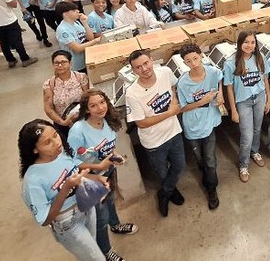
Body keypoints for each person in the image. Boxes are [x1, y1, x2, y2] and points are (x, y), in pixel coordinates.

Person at [18, 119, 114, 261]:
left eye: (55, 135)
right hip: (67, 223)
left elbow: (74, 173)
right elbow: (45, 219)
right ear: (34, 149)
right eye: (47, 142)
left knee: (89, 253)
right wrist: (65, 188)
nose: (57, 143)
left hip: (86, 206)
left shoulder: (61, 153)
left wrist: (97, 179)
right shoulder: (33, 180)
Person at [69, 90, 138, 259]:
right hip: (91, 180)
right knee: (101, 218)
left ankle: (115, 225)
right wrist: (97, 165)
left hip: (108, 172)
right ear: (86, 109)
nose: (100, 108)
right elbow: (71, 163)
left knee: (111, 200)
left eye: (102, 102)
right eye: (93, 105)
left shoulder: (105, 121)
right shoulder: (78, 131)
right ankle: (106, 251)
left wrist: (116, 156)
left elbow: (108, 145)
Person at [125, 50, 185, 217]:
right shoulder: (132, 94)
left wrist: (173, 100)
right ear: (133, 71)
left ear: (152, 61)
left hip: (174, 132)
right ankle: (170, 192)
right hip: (154, 142)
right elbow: (141, 123)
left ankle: (164, 192)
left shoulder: (165, 72)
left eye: (146, 63)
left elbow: (173, 87)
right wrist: (170, 113)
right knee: (162, 172)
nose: (144, 69)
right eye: (138, 67)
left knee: (179, 165)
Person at [176, 44, 223, 209]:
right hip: (193, 126)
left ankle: (212, 188)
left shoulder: (212, 72)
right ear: (184, 63)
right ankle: (206, 174)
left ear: (201, 56)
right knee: (200, 159)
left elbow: (220, 77)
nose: (193, 63)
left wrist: (221, 93)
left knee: (210, 160)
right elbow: (182, 108)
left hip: (208, 123)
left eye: (195, 58)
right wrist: (202, 101)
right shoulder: (183, 83)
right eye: (188, 61)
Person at [223, 31, 270, 183]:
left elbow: (265, 79)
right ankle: (244, 164)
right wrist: (233, 110)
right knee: (247, 135)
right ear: (239, 44)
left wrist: (268, 99)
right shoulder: (230, 63)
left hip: (259, 97)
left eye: (252, 42)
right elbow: (229, 88)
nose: (249, 45)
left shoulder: (260, 57)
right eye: (246, 42)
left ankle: (255, 151)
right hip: (243, 102)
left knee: (257, 129)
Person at [43, 50, 89, 138]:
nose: (60, 65)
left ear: (70, 63)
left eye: (63, 62)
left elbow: (88, 97)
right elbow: (48, 108)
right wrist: (63, 122)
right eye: (56, 63)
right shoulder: (49, 84)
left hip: (84, 120)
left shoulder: (81, 77)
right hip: (64, 125)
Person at [55, 2, 100, 73]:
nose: (78, 11)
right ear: (65, 14)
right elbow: (77, 48)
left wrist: (85, 23)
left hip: (86, 59)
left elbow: (90, 38)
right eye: (74, 10)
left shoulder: (76, 22)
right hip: (76, 66)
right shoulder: (63, 30)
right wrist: (96, 41)